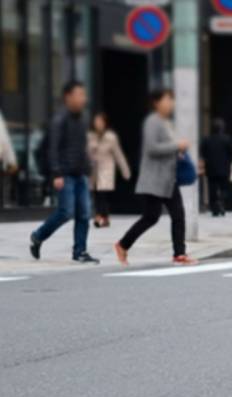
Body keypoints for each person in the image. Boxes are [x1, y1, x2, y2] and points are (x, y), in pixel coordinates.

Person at [114, 88, 196, 266]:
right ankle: (122, 245)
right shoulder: (152, 121)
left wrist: (179, 151)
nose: (170, 103)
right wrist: (176, 145)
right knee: (151, 217)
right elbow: (152, 148)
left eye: (172, 100)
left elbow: (166, 147)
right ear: (156, 102)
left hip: (167, 179)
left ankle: (179, 254)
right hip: (154, 180)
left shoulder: (167, 123)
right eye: (167, 99)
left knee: (177, 215)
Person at [30, 81, 99, 263]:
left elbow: (81, 148)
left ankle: (80, 251)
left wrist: (88, 169)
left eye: (84, 95)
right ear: (68, 97)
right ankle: (38, 236)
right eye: (79, 95)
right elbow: (52, 149)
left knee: (84, 213)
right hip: (65, 174)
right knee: (65, 212)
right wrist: (56, 173)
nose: (83, 99)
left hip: (80, 173)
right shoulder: (59, 119)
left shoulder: (82, 119)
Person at [87, 113, 131, 229]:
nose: (98, 124)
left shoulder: (111, 137)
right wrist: (91, 148)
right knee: (96, 194)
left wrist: (125, 171)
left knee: (102, 194)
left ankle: (98, 216)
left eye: (100, 121)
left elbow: (118, 155)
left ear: (104, 123)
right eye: (96, 122)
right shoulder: (90, 136)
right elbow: (85, 153)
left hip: (106, 169)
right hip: (93, 170)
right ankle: (105, 218)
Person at [200, 118, 232, 217]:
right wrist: (228, 162)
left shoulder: (207, 140)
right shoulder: (227, 139)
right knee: (224, 188)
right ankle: (222, 203)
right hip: (224, 168)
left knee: (212, 188)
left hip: (211, 168)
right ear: (222, 128)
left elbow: (203, 153)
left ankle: (215, 207)